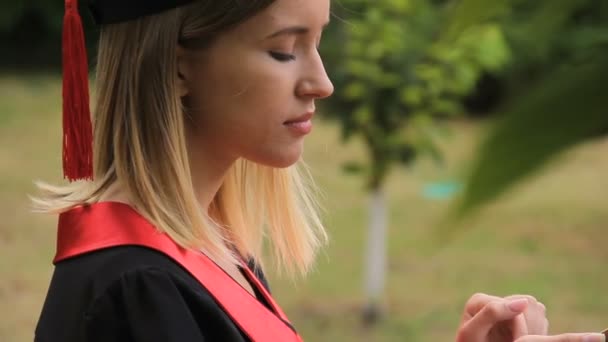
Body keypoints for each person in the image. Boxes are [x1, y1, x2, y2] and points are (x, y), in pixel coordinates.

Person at [33, 0, 606, 341]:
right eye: (286, 49)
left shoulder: (215, 252)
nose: (322, 82)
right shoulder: (133, 288)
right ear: (178, 68)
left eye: (319, 43)